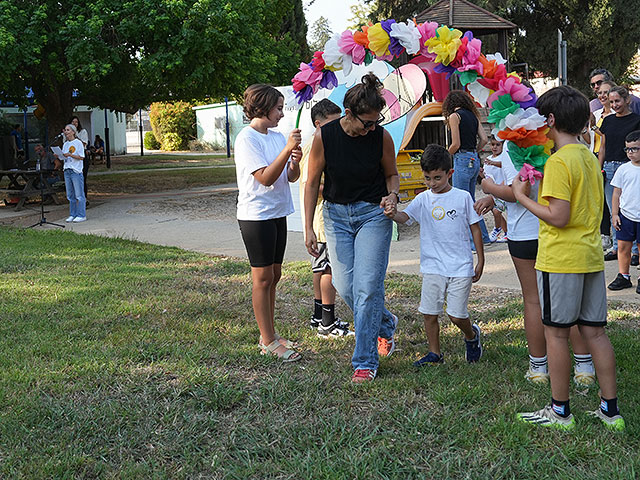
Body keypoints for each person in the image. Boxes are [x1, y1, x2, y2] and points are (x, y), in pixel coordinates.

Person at [513, 85, 624, 431]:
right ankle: (610, 411)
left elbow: (559, 216)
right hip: (590, 258)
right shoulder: (588, 157)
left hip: (561, 261)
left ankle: (560, 411)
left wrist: (522, 197)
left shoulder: (559, 161)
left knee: (557, 334)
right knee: (595, 334)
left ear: (550, 120)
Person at [304, 73, 400, 383]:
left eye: (375, 122)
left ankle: (365, 361)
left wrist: (393, 196)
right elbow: (311, 183)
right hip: (336, 218)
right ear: (349, 113)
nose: (371, 128)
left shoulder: (381, 137)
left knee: (368, 287)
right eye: (366, 123)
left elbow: (391, 175)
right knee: (346, 287)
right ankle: (385, 324)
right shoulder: (325, 137)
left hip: (373, 214)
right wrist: (308, 227)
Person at [477, 140, 597, 386]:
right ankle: (584, 365)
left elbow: (515, 192)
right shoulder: (564, 145)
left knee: (533, 300)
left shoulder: (515, 144)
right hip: (559, 233)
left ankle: (538, 368)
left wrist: (488, 187)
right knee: (568, 301)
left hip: (527, 232)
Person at [387, 144, 484, 366]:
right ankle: (435, 354)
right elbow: (406, 218)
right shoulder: (423, 199)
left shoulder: (462, 197)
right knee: (429, 313)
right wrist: (393, 214)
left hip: (460, 266)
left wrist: (480, 259)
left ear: (450, 173)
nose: (432, 183)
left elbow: (475, 228)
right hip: (432, 266)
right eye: (428, 178)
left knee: (456, 314)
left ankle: (471, 336)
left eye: (437, 178)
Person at [234, 84, 302, 363]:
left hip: (277, 213)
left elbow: (290, 177)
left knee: (275, 275)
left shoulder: (275, 137)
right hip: (256, 216)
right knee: (262, 279)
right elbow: (264, 177)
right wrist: (287, 149)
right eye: (278, 108)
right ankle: (267, 341)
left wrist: (294, 161)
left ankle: (270, 333)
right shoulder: (247, 139)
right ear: (262, 108)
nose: (282, 114)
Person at [299, 99, 353, 337]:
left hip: (319, 219)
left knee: (320, 267)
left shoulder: (318, 142)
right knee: (329, 268)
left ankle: (319, 315)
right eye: (334, 121)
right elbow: (312, 184)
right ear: (319, 124)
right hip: (323, 218)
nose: (340, 125)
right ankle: (327, 324)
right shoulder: (317, 145)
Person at [442, 90, 490, 244]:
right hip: (473, 159)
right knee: (471, 201)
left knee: (462, 202)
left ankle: (472, 241)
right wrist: (474, 151)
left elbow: (455, 144)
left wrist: (444, 155)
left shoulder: (454, 117)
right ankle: (483, 237)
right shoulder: (474, 116)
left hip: (461, 159)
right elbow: (484, 139)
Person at [598, 86, 640, 265]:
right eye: (611, 101)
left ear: (627, 100)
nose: (614, 104)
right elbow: (603, 146)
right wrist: (598, 167)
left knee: (632, 205)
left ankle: (636, 250)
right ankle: (617, 246)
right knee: (613, 207)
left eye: (617, 101)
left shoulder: (637, 120)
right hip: (610, 166)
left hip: (629, 166)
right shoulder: (607, 121)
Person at [606, 130, 640, 294]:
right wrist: (614, 214)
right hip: (626, 215)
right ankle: (624, 276)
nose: (630, 153)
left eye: (634, 149)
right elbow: (616, 193)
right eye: (628, 149)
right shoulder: (623, 169)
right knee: (623, 247)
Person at [482, 137, 508, 243]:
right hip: (493, 191)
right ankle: (506, 232)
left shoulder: (503, 157)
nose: (495, 147)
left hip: (502, 188)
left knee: (497, 211)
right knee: (496, 212)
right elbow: (487, 175)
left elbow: (504, 166)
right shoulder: (488, 159)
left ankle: (497, 229)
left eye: (498, 145)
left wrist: (493, 163)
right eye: (493, 145)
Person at [61, 124, 87, 223]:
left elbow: (81, 157)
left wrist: (70, 155)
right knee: (70, 195)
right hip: (67, 169)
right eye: (65, 130)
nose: (66, 132)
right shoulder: (65, 144)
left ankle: (81, 214)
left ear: (73, 132)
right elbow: (64, 156)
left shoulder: (78, 143)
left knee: (79, 194)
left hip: (75, 170)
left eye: (68, 130)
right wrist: (60, 155)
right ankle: (73, 214)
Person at [69, 116, 90, 199]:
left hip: (81, 155)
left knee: (82, 178)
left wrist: (75, 137)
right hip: (72, 157)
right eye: (73, 122)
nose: (74, 123)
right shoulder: (67, 134)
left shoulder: (82, 132)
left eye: (76, 122)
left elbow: (84, 144)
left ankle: (84, 198)